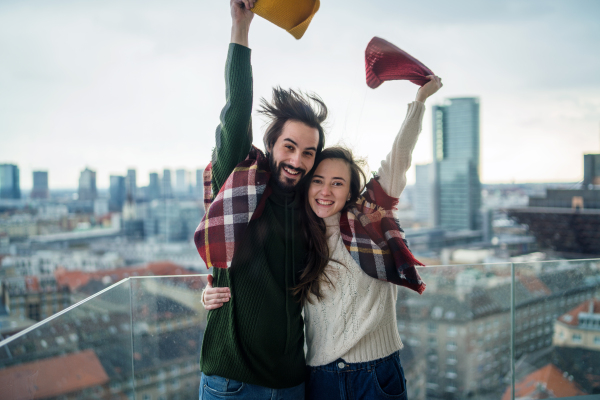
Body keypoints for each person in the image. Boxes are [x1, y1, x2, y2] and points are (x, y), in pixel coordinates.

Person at [204, 75, 443, 399]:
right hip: (320, 377)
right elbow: (259, 273)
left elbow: (398, 160)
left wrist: (419, 102)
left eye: (338, 183)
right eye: (318, 181)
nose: (326, 191)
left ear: (351, 189)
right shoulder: (301, 229)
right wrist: (213, 288)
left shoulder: (370, 218)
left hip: (376, 372)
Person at [195, 0, 329, 398]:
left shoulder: (311, 208)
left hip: (291, 383)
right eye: (289, 147)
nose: (297, 160)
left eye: (308, 153)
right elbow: (235, 112)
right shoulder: (241, 183)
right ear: (271, 144)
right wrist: (241, 26)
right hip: (232, 380)